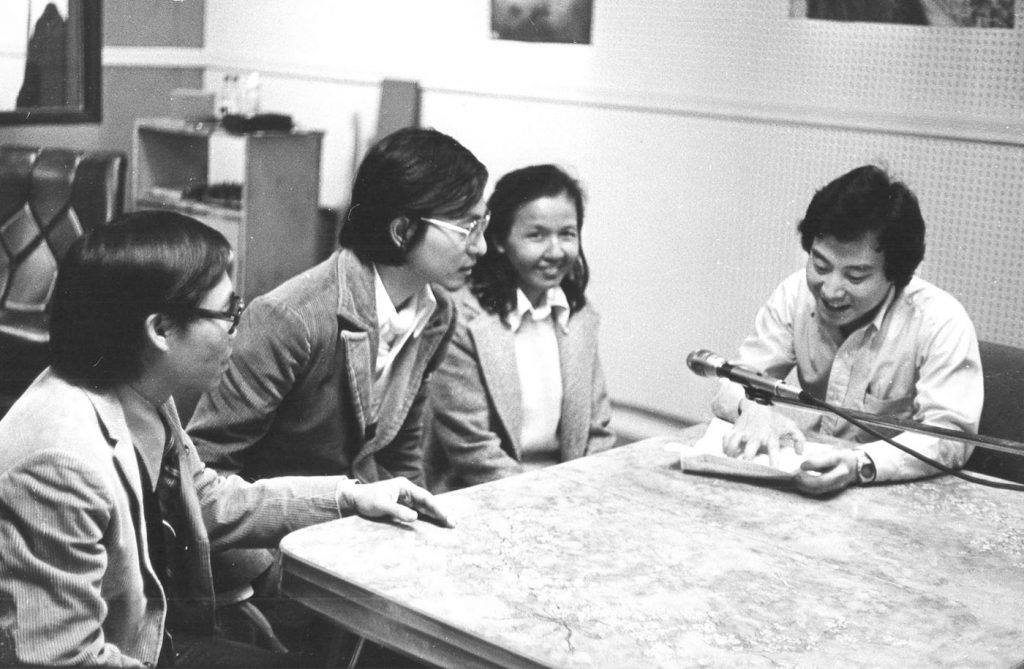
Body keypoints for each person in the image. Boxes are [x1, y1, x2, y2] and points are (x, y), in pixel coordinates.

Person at [0, 211, 450, 668]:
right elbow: (59, 659)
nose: (239, 327)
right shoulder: (59, 463)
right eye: (229, 313)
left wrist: (348, 498)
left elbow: (207, 499)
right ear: (159, 330)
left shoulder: (137, 386)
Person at [185, 126, 487, 614]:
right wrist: (266, 577)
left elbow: (402, 450)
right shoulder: (293, 316)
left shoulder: (440, 313)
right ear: (402, 230)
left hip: (356, 536)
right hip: (277, 550)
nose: (482, 248)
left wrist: (418, 537)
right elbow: (203, 465)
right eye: (468, 229)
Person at [710, 164, 982, 495]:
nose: (830, 290)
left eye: (855, 277)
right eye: (820, 266)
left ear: (897, 273)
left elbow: (949, 437)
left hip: (889, 495)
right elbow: (734, 380)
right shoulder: (794, 294)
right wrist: (752, 408)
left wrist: (861, 464)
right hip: (802, 482)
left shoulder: (940, 321)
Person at [425, 164, 616, 492]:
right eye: (536, 235)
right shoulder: (460, 317)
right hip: (479, 494)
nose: (555, 252)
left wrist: (584, 494)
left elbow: (596, 431)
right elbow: (473, 449)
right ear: (499, 240)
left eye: (567, 234)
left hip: (567, 492)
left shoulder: (579, 316)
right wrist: (545, 500)